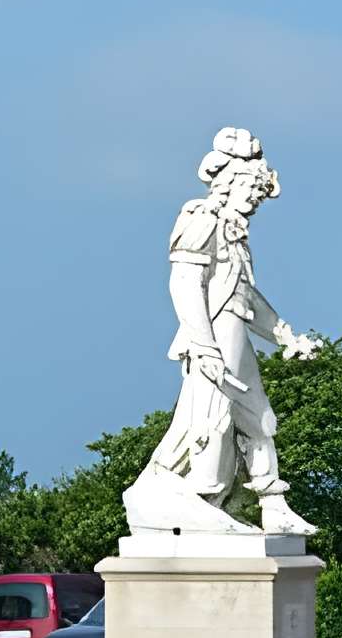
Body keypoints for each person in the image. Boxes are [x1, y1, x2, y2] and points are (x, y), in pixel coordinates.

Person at [119, 126, 323, 539]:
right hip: (213, 337)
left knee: (260, 418)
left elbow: (244, 295)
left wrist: (284, 334)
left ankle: (273, 505)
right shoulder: (201, 218)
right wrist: (204, 346)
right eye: (251, 187)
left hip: (234, 335)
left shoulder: (236, 230)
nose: (255, 198)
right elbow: (184, 284)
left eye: (260, 193)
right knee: (209, 422)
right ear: (229, 183)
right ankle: (200, 502)